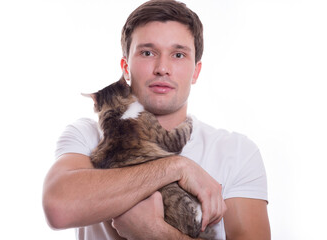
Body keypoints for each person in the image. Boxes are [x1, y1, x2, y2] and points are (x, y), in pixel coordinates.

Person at [42, 0, 271, 239]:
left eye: (178, 54)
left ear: (196, 71)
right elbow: (58, 208)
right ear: (126, 68)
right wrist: (176, 167)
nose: (162, 68)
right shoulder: (87, 135)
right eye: (148, 53)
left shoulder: (236, 152)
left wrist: (155, 232)